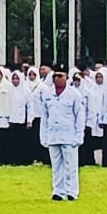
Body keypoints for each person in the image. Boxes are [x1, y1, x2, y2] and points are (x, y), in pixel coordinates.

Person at [31, 69, 85, 200]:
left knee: (70, 165)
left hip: (69, 135)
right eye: (55, 76)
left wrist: (79, 135)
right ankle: (58, 191)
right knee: (56, 166)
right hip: (53, 134)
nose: (57, 79)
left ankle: (72, 192)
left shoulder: (74, 94)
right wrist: (43, 136)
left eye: (60, 76)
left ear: (66, 77)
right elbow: (45, 117)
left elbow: (80, 116)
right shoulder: (48, 94)